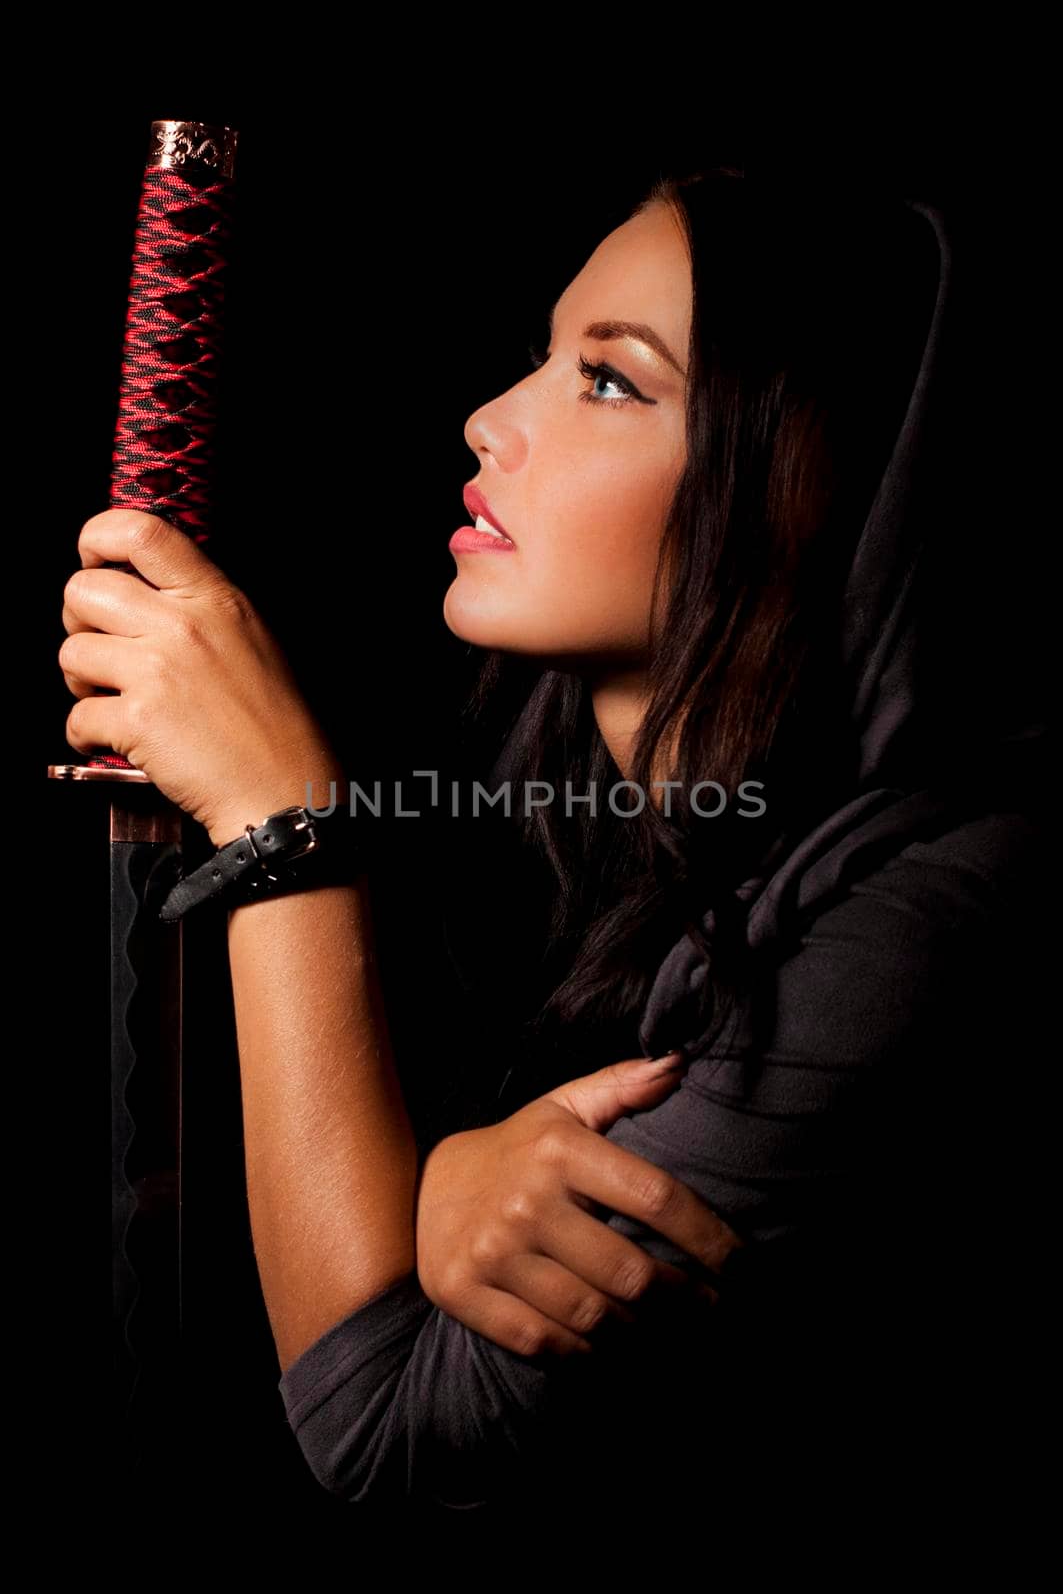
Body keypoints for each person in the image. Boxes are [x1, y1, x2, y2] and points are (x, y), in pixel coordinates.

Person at [67, 168, 1049, 1533]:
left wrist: (285, 826)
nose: (488, 422)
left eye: (608, 383)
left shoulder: (932, 927)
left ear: (807, 480)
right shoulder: (589, 847)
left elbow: (381, 1433)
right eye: (543, 357)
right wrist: (441, 1188)